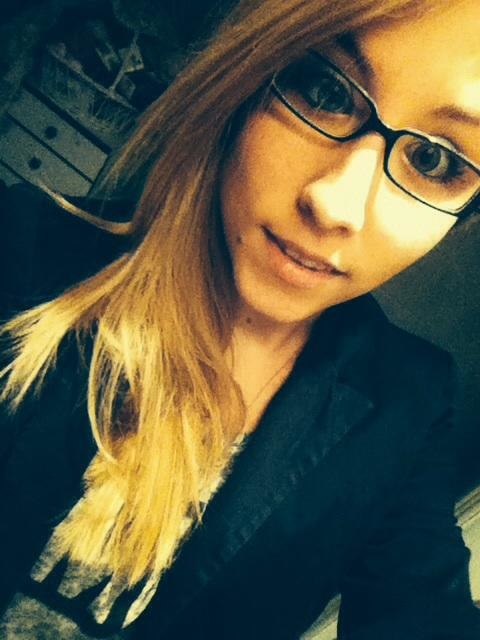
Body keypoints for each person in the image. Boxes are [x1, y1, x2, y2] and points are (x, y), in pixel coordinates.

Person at [1, 0, 480, 637]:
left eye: (436, 161)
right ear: (247, 74)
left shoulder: (407, 407)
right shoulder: (24, 250)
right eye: (325, 91)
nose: (334, 204)